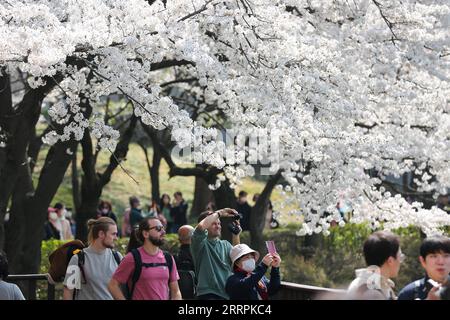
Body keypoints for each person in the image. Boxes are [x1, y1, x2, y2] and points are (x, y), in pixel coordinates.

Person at [108, 217, 181, 300]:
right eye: (158, 228)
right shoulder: (132, 258)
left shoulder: (168, 258)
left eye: (163, 227)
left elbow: (176, 291)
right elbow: (113, 285)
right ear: (145, 234)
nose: (163, 232)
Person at [62, 217, 122, 300]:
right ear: (101, 234)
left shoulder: (118, 257)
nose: (116, 238)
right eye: (113, 234)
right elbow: (68, 290)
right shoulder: (78, 258)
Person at [191, 208, 241, 300]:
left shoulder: (225, 244)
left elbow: (238, 260)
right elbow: (201, 227)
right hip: (208, 294)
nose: (218, 226)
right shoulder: (199, 243)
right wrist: (220, 213)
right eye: (214, 223)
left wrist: (236, 235)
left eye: (219, 223)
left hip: (226, 294)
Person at [347, 231, 404, 300]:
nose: (401, 262)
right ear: (390, 261)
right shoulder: (371, 293)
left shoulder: (370, 283)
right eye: (400, 257)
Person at [398, 235, 450, 300]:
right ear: (423, 261)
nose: (441, 262)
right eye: (434, 256)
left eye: (446, 256)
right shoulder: (410, 293)